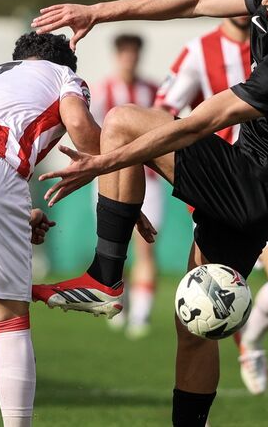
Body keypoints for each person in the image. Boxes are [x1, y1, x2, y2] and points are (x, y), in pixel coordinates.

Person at [32, 0, 268, 426]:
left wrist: (105, 163)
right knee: (195, 323)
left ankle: (104, 278)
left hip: (258, 184)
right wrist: (97, 11)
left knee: (121, 122)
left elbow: (203, 121)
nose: (263, 1)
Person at [0, 32, 154, 427]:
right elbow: (80, 127)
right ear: (66, 62)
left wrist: (19, 216)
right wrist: (117, 186)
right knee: (7, 321)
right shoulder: (63, 76)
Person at [155, 0, 268, 396]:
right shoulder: (198, 52)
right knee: (200, 321)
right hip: (218, 187)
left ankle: (251, 334)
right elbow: (163, 113)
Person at [91, 33, 163, 338]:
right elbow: (88, 133)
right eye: (125, 53)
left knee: (145, 248)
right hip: (109, 180)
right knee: (113, 245)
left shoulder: (152, 91)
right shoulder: (102, 91)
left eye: (134, 53)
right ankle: (114, 302)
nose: (130, 59)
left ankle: (141, 316)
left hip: (149, 181)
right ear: (118, 55)